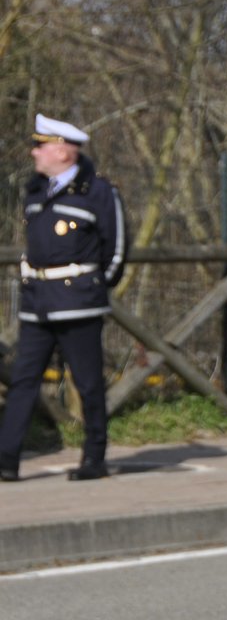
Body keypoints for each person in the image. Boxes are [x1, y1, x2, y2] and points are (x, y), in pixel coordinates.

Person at [0, 114, 126, 482]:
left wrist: (94, 287)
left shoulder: (99, 192)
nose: (34, 153)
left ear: (62, 151)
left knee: (86, 382)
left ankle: (94, 457)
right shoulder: (36, 190)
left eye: (40, 146)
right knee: (24, 380)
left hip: (78, 300)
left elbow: (115, 248)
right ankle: (7, 458)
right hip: (37, 300)